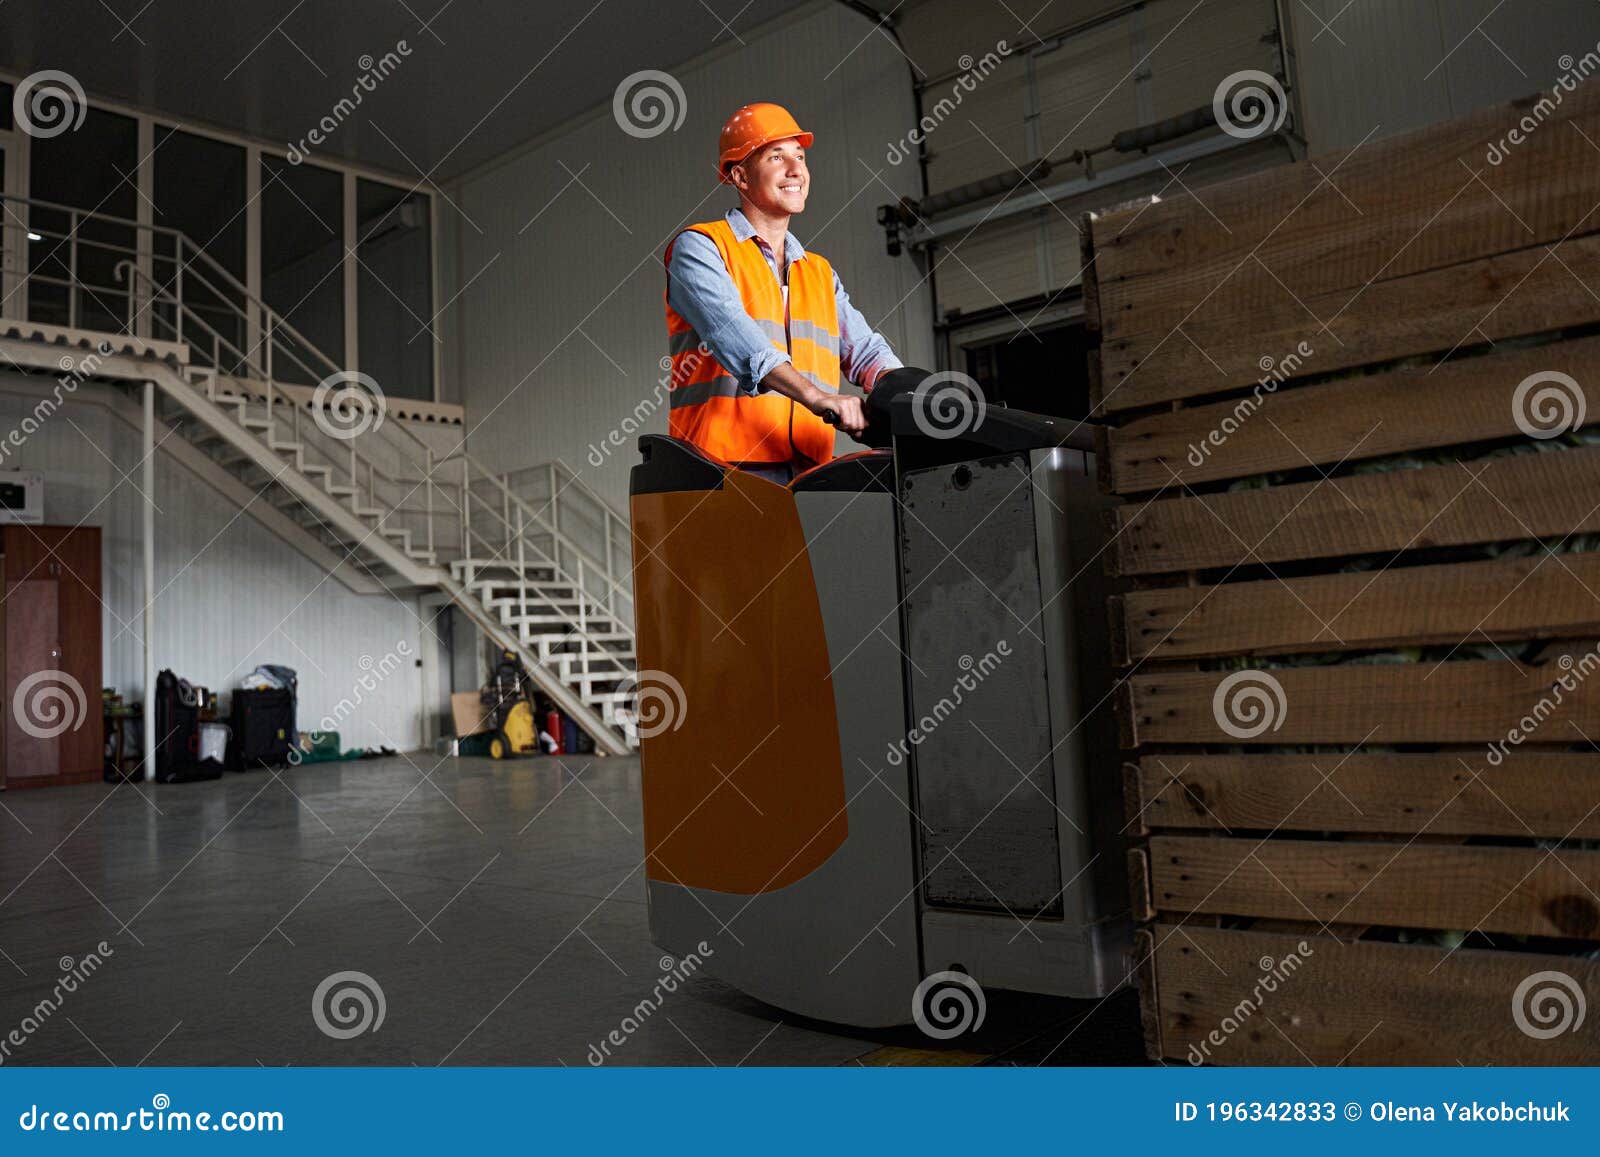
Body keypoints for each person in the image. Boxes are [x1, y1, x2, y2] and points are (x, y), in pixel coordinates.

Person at [663, 102, 902, 484]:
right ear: (740, 176)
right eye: (776, 157)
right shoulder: (701, 248)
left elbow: (866, 351)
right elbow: (740, 341)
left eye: (800, 157)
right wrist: (818, 397)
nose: (796, 170)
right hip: (718, 472)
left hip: (807, 473)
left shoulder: (819, 272)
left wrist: (906, 394)